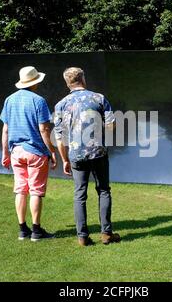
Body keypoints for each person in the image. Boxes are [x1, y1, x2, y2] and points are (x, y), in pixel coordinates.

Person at [54, 67, 120, 247]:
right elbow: (112, 126)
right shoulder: (98, 98)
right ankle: (106, 233)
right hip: (98, 152)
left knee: (79, 194)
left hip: (75, 155)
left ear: (67, 82)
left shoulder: (61, 104)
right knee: (104, 190)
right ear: (83, 78)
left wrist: (65, 160)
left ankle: (82, 236)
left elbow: (59, 137)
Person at [0, 66, 57, 241]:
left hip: (16, 151)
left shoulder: (9, 100)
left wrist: (5, 153)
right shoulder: (38, 101)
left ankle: (22, 229)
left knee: (20, 190)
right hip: (36, 152)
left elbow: (6, 130)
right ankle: (36, 231)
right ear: (35, 82)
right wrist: (52, 151)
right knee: (36, 191)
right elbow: (44, 130)